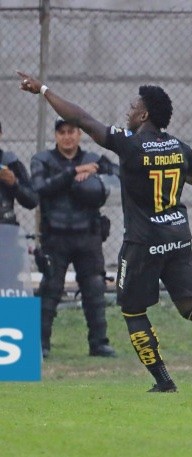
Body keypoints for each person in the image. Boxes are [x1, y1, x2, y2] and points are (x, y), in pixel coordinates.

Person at [18, 71, 192, 392]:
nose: (129, 111)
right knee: (191, 305)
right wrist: (171, 169)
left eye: (133, 107)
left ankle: (164, 381)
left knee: (133, 310)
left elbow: (81, 119)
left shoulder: (129, 144)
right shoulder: (177, 146)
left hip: (143, 241)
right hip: (178, 236)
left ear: (144, 115)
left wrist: (43, 89)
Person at [29, 116, 117, 359]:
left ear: (80, 134)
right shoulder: (42, 160)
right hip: (55, 236)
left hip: (88, 235)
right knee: (50, 289)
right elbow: (38, 188)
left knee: (94, 288)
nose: (67, 137)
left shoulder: (93, 159)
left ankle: (99, 343)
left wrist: (97, 171)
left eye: (71, 131)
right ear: (56, 136)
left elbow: (118, 175)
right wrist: (73, 173)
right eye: (62, 132)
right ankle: (40, 344)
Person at [0, 121, 38, 224]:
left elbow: (32, 200)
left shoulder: (10, 163)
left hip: (5, 226)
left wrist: (15, 184)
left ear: (1, 134)